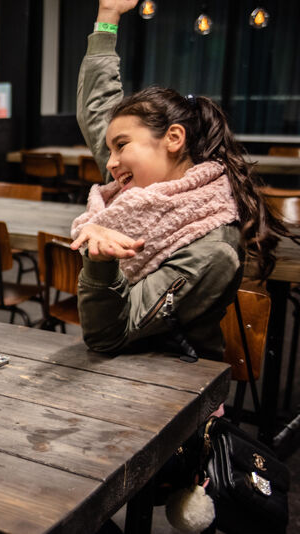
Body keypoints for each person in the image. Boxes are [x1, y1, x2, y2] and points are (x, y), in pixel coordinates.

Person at [70, 0, 295, 361]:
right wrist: (108, 17)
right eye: (109, 149)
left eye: (121, 146)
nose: (109, 163)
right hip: (113, 375)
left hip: (172, 391)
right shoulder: (140, 189)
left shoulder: (212, 244)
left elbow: (108, 336)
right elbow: (97, 107)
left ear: (174, 139)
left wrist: (100, 263)